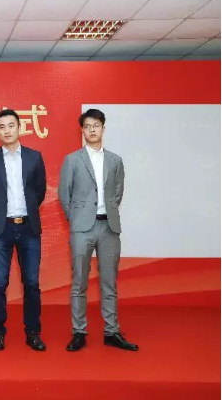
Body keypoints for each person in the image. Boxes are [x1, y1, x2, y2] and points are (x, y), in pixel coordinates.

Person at [58, 109, 138, 352]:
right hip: (82, 229)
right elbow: (64, 194)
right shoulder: (72, 160)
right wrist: (76, 219)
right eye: (87, 126)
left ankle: (111, 332)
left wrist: (107, 213)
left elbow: (117, 193)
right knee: (79, 282)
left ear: (103, 128)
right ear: (82, 131)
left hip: (109, 227)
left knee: (109, 282)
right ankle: (79, 332)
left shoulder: (115, 160)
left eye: (96, 125)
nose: (92, 130)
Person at [0, 109, 47, 352]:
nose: (7, 130)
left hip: (29, 228)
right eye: (2, 127)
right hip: (2, 230)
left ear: (19, 128)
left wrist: (27, 211)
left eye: (11, 125)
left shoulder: (34, 157)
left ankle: (33, 332)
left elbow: (39, 191)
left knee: (32, 283)